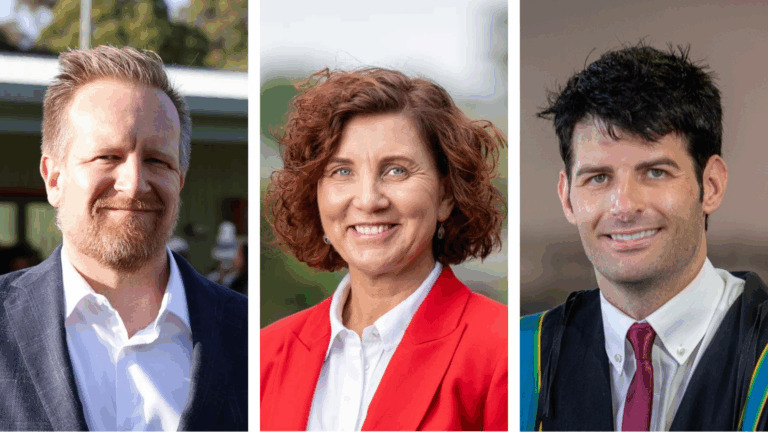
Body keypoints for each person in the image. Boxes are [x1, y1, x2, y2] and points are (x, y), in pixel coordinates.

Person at [522, 43, 768, 431]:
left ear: (712, 184)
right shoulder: (519, 361)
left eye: (655, 172)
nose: (624, 206)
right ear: (567, 197)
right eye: (598, 178)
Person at [0, 46, 247, 431]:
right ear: (54, 178)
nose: (134, 185)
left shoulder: (251, 338)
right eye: (108, 157)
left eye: (156, 160)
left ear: (179, 180)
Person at [261, 67, 508, 431]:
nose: (368, 200)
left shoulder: (501, 352)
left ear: (446, 196)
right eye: (342, 172)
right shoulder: (265, 353)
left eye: (396, 171)